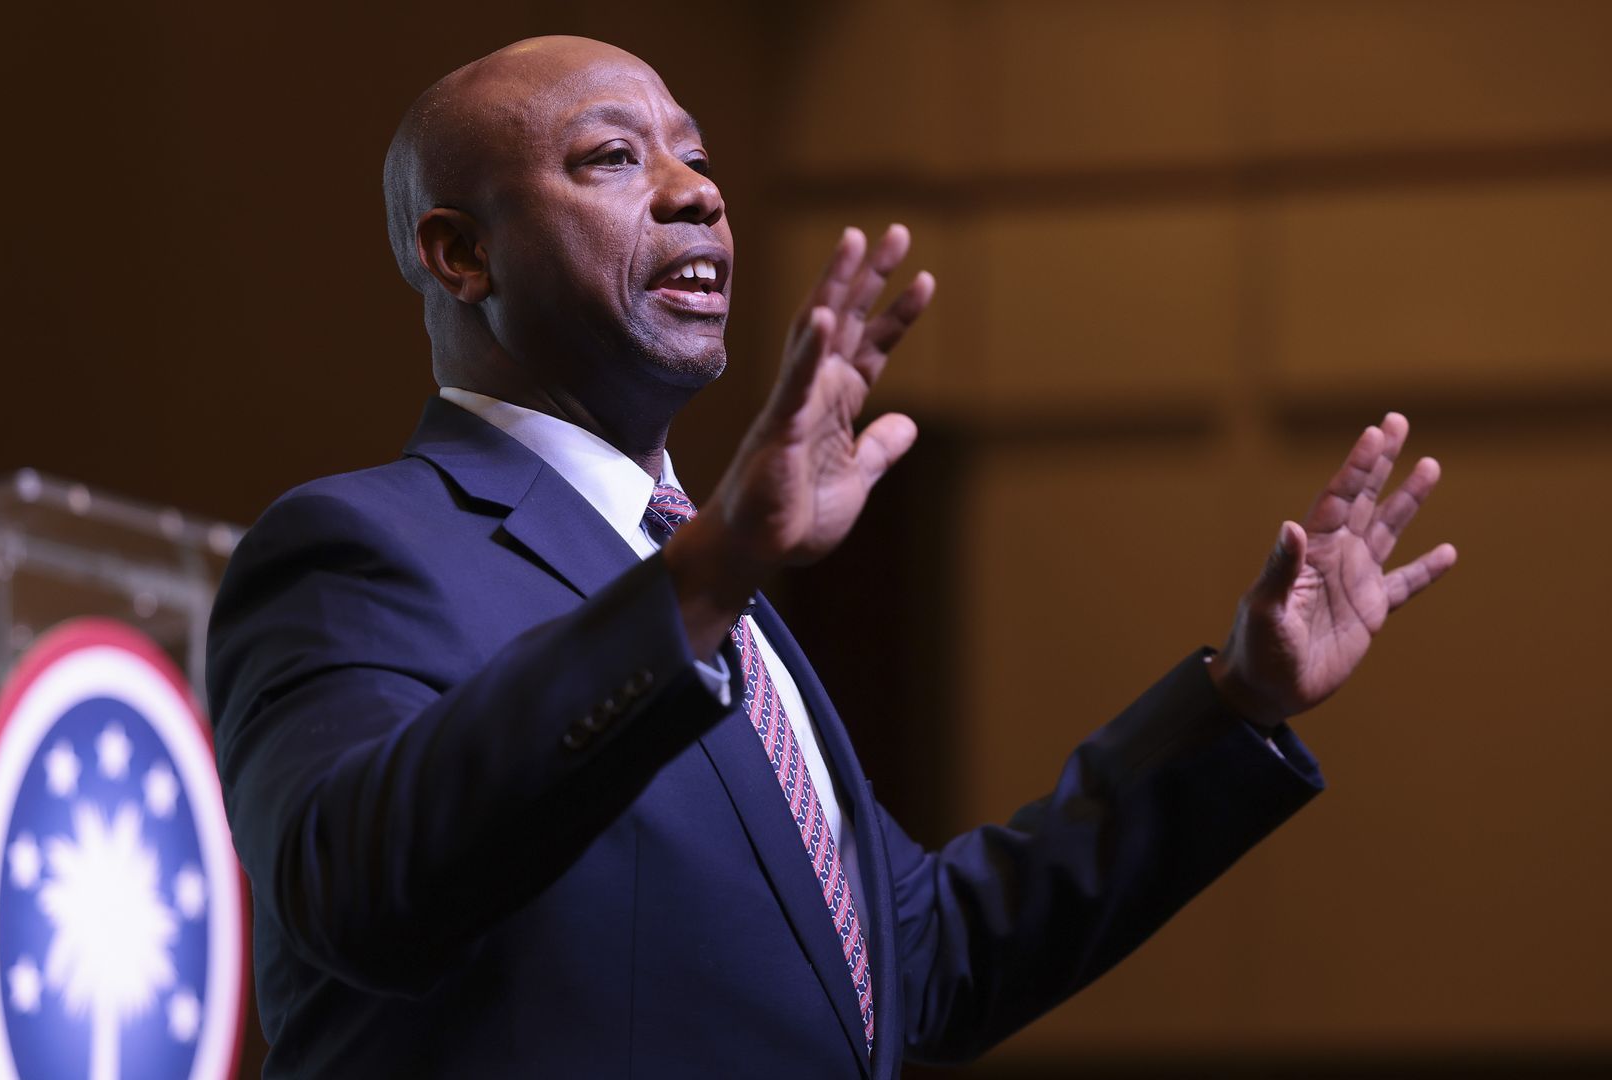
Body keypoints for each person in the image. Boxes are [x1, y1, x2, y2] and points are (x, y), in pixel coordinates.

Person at [205, 35, 1456, 1078]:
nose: (696, 193)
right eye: (614, 158)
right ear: (460, 253)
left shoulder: (709, 587)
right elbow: (352, 890)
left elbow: (921, 964)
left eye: (698, 157)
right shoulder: (357, 549)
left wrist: (1235, 702)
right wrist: (711, 573)